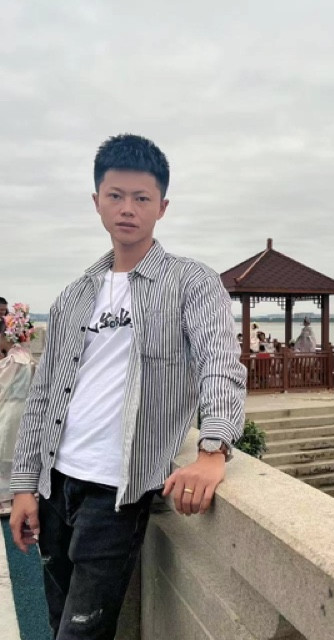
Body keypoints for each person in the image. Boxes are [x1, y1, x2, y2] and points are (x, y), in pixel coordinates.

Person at [9, 134, 246, 640]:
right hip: (55, 484)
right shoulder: (74, 295)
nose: (127, 209)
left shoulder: (191, 282)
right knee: (55, 620)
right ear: (97, 201)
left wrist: (213, 449)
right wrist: (24, 485)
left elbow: (219, 362)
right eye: (115, 196)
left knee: (81, 632)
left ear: (163, 206)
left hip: (116, 491)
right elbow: (43, 395)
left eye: (142, 198)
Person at [0, 312, 36, 514]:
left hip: (9, 409)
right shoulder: (27, 356)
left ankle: (5, 500)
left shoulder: (12, 360)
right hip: (24, 408)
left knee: (4, 455)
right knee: (17, 452)